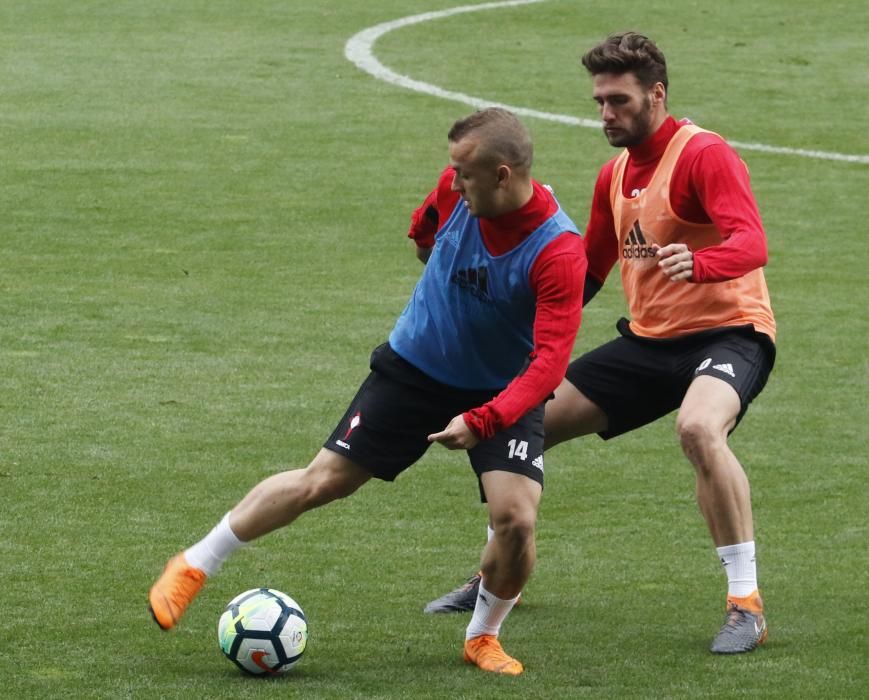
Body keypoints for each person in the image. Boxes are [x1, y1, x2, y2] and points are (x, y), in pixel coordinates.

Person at [147, 107, 588, 675]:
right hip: (415, 368)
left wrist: (482, 420)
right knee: (323, 481)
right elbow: (424, 232)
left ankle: (482, 635)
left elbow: (550, 365)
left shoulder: (558, 251)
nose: (452, 182)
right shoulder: (454, 195)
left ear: (503, 175)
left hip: (502, 389)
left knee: (517, 519)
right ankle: (194, 564)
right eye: (451, 170)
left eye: (465, 173)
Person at [425, 32, 776, 656]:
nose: (606, 115)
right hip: (647, 344)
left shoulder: (703, 156)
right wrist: (504, 312)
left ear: (657, 94)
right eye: (600, 102)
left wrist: (702, 262)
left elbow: (751, 242)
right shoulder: (613, 175)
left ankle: (744, 604)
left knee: (698, 429)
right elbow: (586, 271)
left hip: (730, 333)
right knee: (524, 422)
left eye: (619, 101)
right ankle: (499, 571)